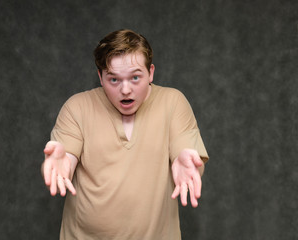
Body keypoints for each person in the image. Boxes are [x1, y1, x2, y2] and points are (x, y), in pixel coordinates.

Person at [41, 29, 209, 240]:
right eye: (114, 80)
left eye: (135, 77)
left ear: (151, 73)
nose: (126, 89)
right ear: (100, 77)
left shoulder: (173, 103)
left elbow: (186, 153)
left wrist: (187, 161)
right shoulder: (77, 107)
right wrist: (62, 164)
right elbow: (66, 158)